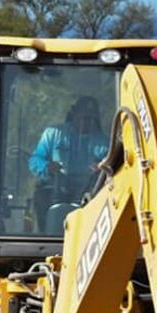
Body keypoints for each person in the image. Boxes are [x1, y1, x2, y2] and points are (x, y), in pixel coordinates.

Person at [28, 96, 109, 230]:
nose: (85, 122)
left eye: (89, 119)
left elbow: (111, 167)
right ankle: (43, 235)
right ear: (74, 114)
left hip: (88, 196)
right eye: (82, 117)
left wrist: (101, 169)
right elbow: (35, 161)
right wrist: (47, 166)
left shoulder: (104, 143)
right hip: (54, 193)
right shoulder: (53, 134)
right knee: (42, 197)